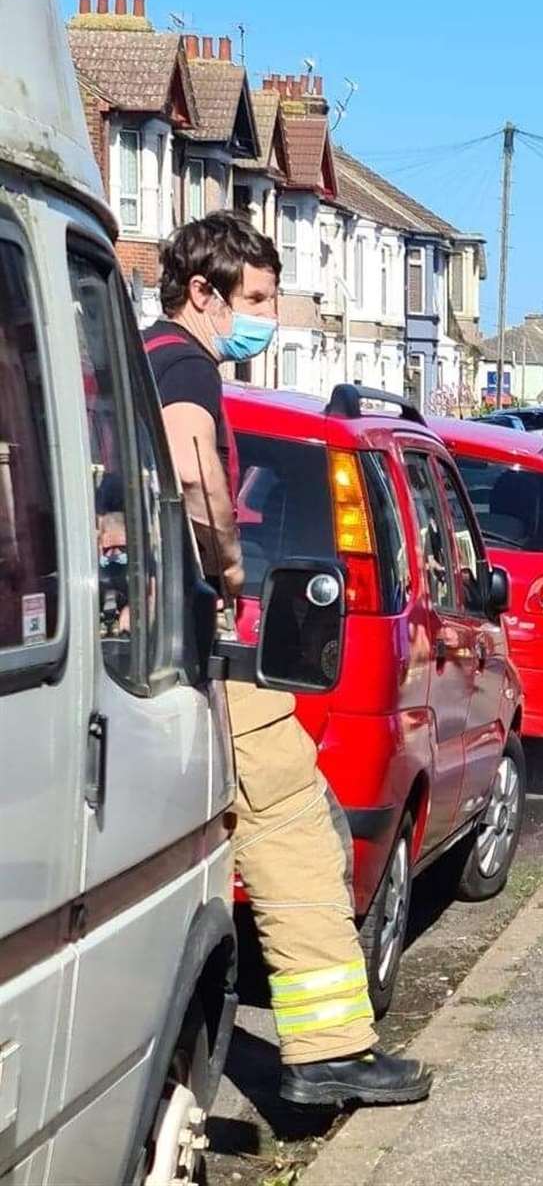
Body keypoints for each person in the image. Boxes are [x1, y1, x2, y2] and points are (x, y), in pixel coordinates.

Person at [145, 212, 431, 1109]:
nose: (269, 317)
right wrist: (228, 569)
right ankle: (327, 1054)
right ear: (203, 292)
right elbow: (195, 476)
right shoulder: (185, 363)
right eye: (257, 299)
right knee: (298, 832)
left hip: (153, 644)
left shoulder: (138, 354)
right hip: (205, 644)